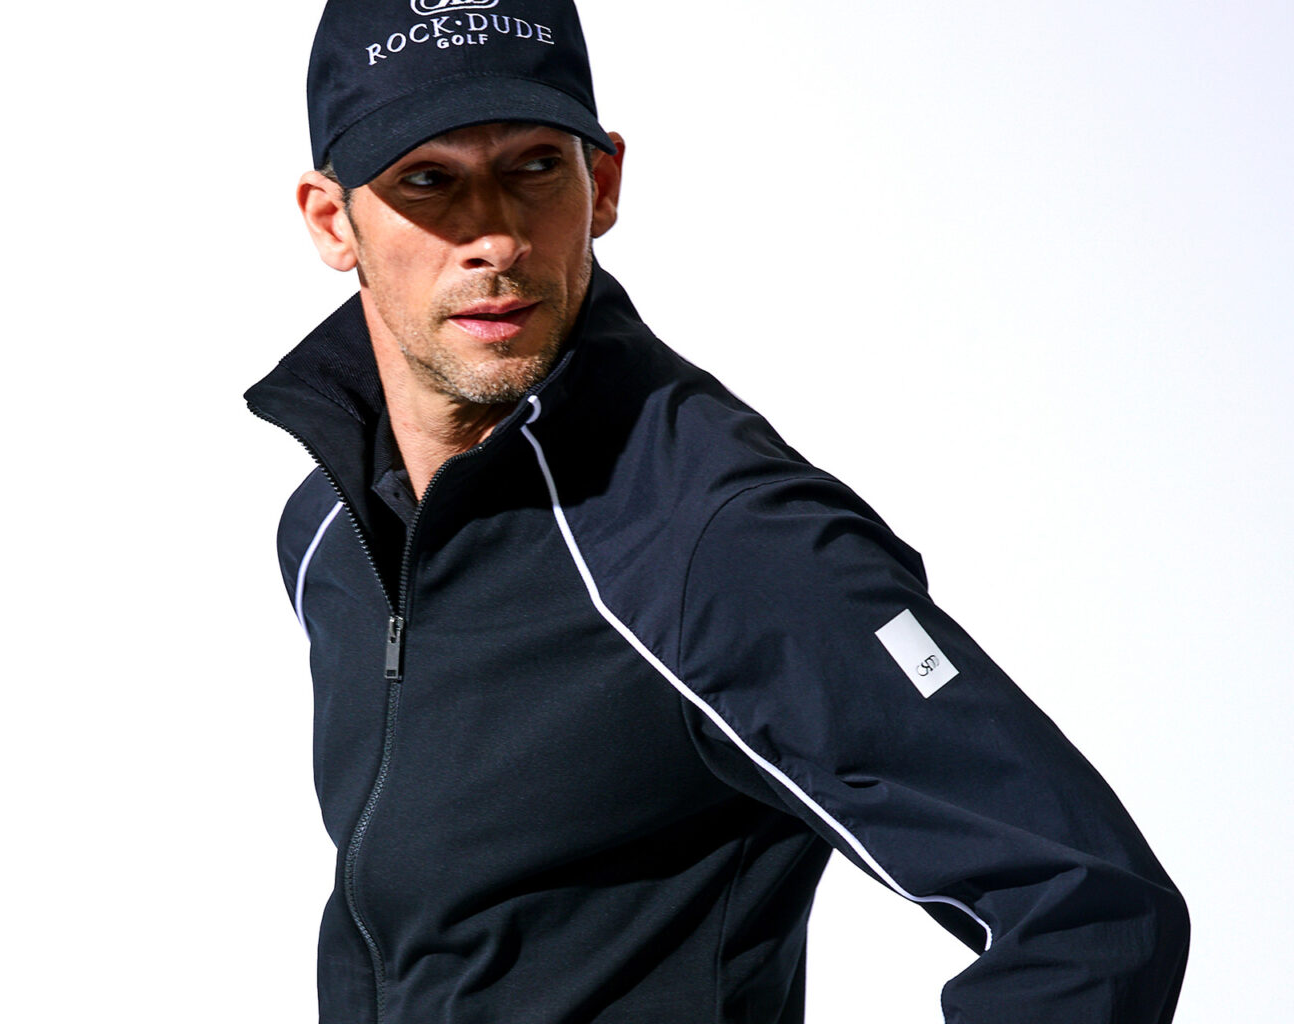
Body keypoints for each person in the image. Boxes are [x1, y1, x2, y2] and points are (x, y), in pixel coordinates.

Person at [244, 1, 1190, 1020]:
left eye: (535, 167)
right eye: (428, 181)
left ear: (603, 184)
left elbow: (1089, 910)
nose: (497, 237)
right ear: (332, 221)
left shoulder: (720, 537)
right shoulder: (335, 529)